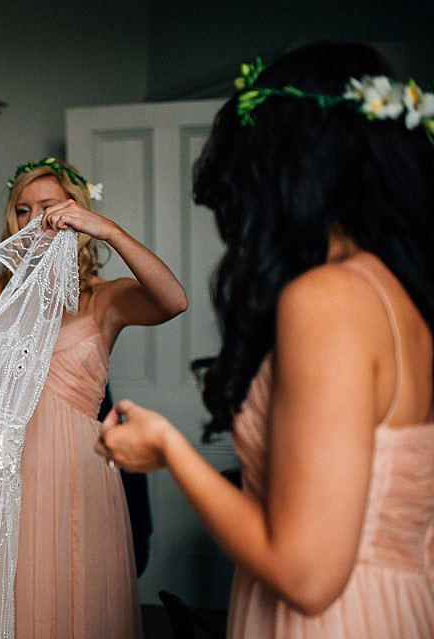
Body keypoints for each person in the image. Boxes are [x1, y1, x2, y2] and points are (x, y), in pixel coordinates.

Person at [96, 42, 434, 638]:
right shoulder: (402, 287)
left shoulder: (329, 299)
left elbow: (306, 574)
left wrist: (171, 451)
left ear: (286, 166)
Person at [0, 157, 188, 639]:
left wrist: (110, 231)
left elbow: (174, 301)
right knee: (18, 602)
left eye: (48, 205)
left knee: (82, 599)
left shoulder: (103, 300)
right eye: (21, 210)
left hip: (81, 471)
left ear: (77, 211)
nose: (34, 219)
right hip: (8, 474)